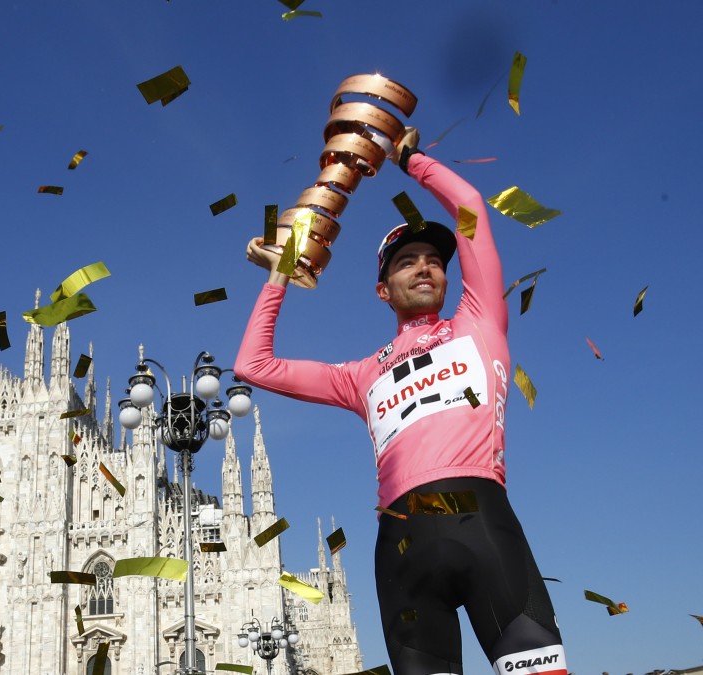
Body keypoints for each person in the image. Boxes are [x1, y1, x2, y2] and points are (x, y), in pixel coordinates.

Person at [234, 130, 567, 675]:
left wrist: (411, 159)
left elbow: (471, 209)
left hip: (481, 522)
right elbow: (254, 366)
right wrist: (279, 277)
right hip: (402, 545)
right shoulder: (363, 374)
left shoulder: (479, 323)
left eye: (434, 259)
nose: (424, 266)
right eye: (406, 261)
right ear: (382, 290)